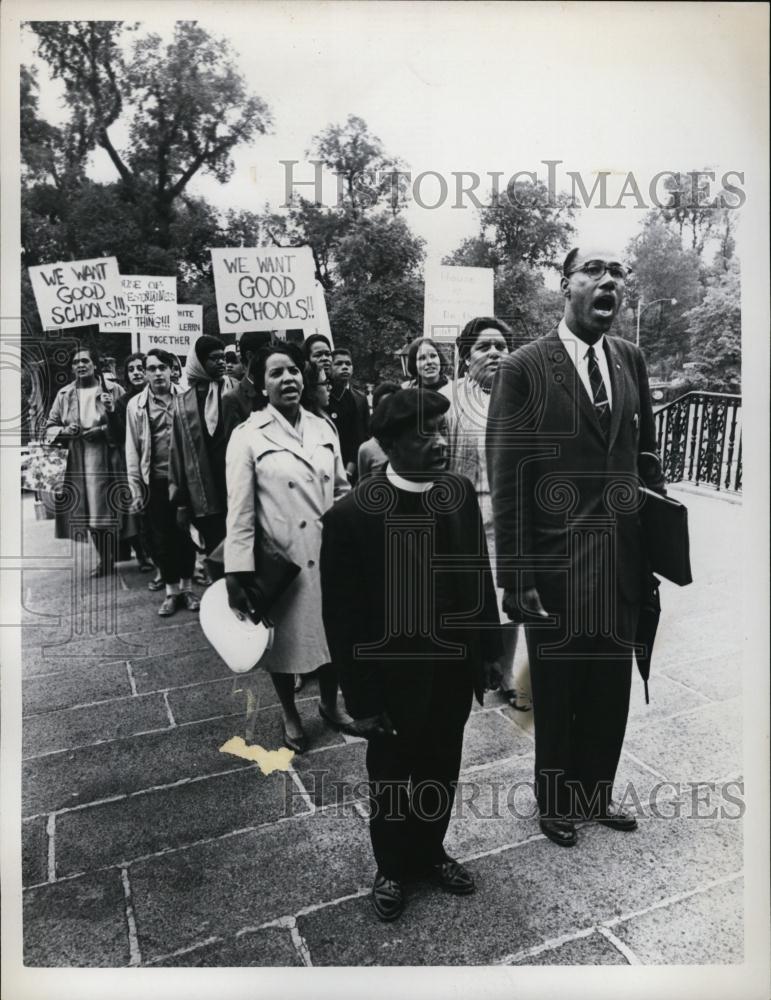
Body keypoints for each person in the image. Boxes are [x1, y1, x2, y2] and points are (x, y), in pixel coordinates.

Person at [486, 247, 666, 848]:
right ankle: (556, 800)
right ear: (565, 284)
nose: (608, 280)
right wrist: (517, 575)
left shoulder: (630, 359)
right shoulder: (524, 368)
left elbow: (646, 461)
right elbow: (508, 476)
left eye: (617, 272)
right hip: (555, 568)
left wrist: (661, 546)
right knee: (558, 686)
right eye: (593, 270)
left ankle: (596, 791)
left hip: (622, 562)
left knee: (609, 684)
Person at [320, 389, 503, 922]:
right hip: (393, 679)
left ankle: (431, 852)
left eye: (443, 431)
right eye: (426, 434)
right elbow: (344, 617)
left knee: (442, 765)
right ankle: (392, 867)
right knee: (393, 774)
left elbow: (478, 576)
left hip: (452, 669)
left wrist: (489, 652)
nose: (441, 443)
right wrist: (363, 699)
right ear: (392, 444)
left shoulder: (460, 492)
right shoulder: (352, 517)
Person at [224, 341, 354, 754]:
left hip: (328, 553)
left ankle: (330, 706)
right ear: (262, 385)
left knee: (333, 636)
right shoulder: (247, 436)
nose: (288, 379)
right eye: (276, 373)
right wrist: (236, 573)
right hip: (282, 561)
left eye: (294, 370)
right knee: (282, 645)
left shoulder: (323, 428)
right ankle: (290, 714)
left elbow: (341, 490)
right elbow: (240, 512)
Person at [440, 317, 531, 712]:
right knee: (466, 602)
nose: (494, 353)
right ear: (465, 357)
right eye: (483, 347)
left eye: (501, 346)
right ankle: (474, 668)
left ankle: (507, 674)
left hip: (508, 521)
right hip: (462, 520)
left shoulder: (525, 399)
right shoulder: (447, 401)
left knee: (511, 600)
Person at [125, 349, 200, 617]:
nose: (157, 373)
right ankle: (171, 592)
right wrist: (136, 487)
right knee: (162, 538)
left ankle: (188, 588)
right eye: (152, 368)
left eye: (162, 368)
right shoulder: (136, 406)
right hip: (155, 481)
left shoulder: (187, 397)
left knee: (187, 535)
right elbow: (132, 449)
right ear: (144, 373)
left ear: (171, 370)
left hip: (187, 480)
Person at [44, 346, 127, 577]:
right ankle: (105, 560)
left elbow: (125, 422)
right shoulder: (64, 395)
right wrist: (64, 429)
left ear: (94, 365)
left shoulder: (113, 389)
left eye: (85, 361)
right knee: (90, 511)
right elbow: (49, 427)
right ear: (71, 367)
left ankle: (138, 554)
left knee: (120, 507)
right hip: (79, 460)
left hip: (110, 457)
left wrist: (102, 429)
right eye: (76, 362)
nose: (80, 365)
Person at [168, 335, 237, 555]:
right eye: (213, 358)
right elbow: (177, 454)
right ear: (199, 362)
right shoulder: (183, 403)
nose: (221, 362)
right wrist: (180, 501)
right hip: (205, 489)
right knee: (215, 550)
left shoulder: (234, 391)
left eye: (223, 357)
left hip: (234, 482)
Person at [221, 331, 273, 443]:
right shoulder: (232, 399)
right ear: (250, 356)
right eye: (267, 350)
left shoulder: (275, 388)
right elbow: (235, 447)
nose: (273, 354)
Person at [328, 347, 369, 482]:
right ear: (329, 367)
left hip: (355, 467)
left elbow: (364, 434)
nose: (344, 367)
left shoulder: (360, 398)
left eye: (348, 364)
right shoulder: (324, 397)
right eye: (339, 364)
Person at [356, 380, 400, 480]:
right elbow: (364, 488)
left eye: (395, 405)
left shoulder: (414, 444)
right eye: (384, 406)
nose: (390, 412)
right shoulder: (367, 449)